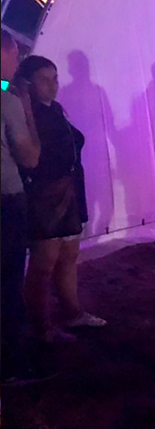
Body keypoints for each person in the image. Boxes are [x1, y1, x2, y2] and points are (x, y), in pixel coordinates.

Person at [15, 55, 106, 344]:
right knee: (43, 264)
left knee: (68, 256)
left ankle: (72, 312)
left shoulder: (54, 110)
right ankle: (40, 327)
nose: (53, 85)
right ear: (28, 83)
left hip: (69, 190)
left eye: (54, 78)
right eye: (44, 79)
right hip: (45, 196)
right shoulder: (24, 113)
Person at [1, 30, 44, 382]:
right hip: (6, 200)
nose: (17, 63)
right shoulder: (8, 102)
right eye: (14, 55)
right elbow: (30, 157)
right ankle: (14, 364)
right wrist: (27, 108)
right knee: (8, 282)